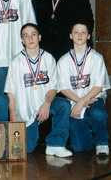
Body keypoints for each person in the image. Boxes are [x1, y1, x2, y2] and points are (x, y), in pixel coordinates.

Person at [5, 23, 72, 157]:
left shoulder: (49, 59)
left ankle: (55, 145)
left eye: (33, 34)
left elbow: (53, 87)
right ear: (22, 40)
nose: (30, 38)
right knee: (26, 150)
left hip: (44, 106)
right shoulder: (16, 61)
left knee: (64, 104)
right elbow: (10, 92)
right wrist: (13, 116)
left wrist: (47, 103)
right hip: (25, 112)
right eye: (26, 36)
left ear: (39, 37)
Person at [57, 21, 111, 156]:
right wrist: (78, 101)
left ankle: (101, 142)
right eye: (76, 32)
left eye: (83, 32)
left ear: (88, 36)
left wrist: (82, 102)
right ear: (71, 36)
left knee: (98, 113)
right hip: (73, 101)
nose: (79, 35)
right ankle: (88, 128)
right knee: (79, 147)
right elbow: (63, 88)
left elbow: (98, 86)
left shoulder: (97, 58)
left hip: (94, 98)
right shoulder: (63, 61)